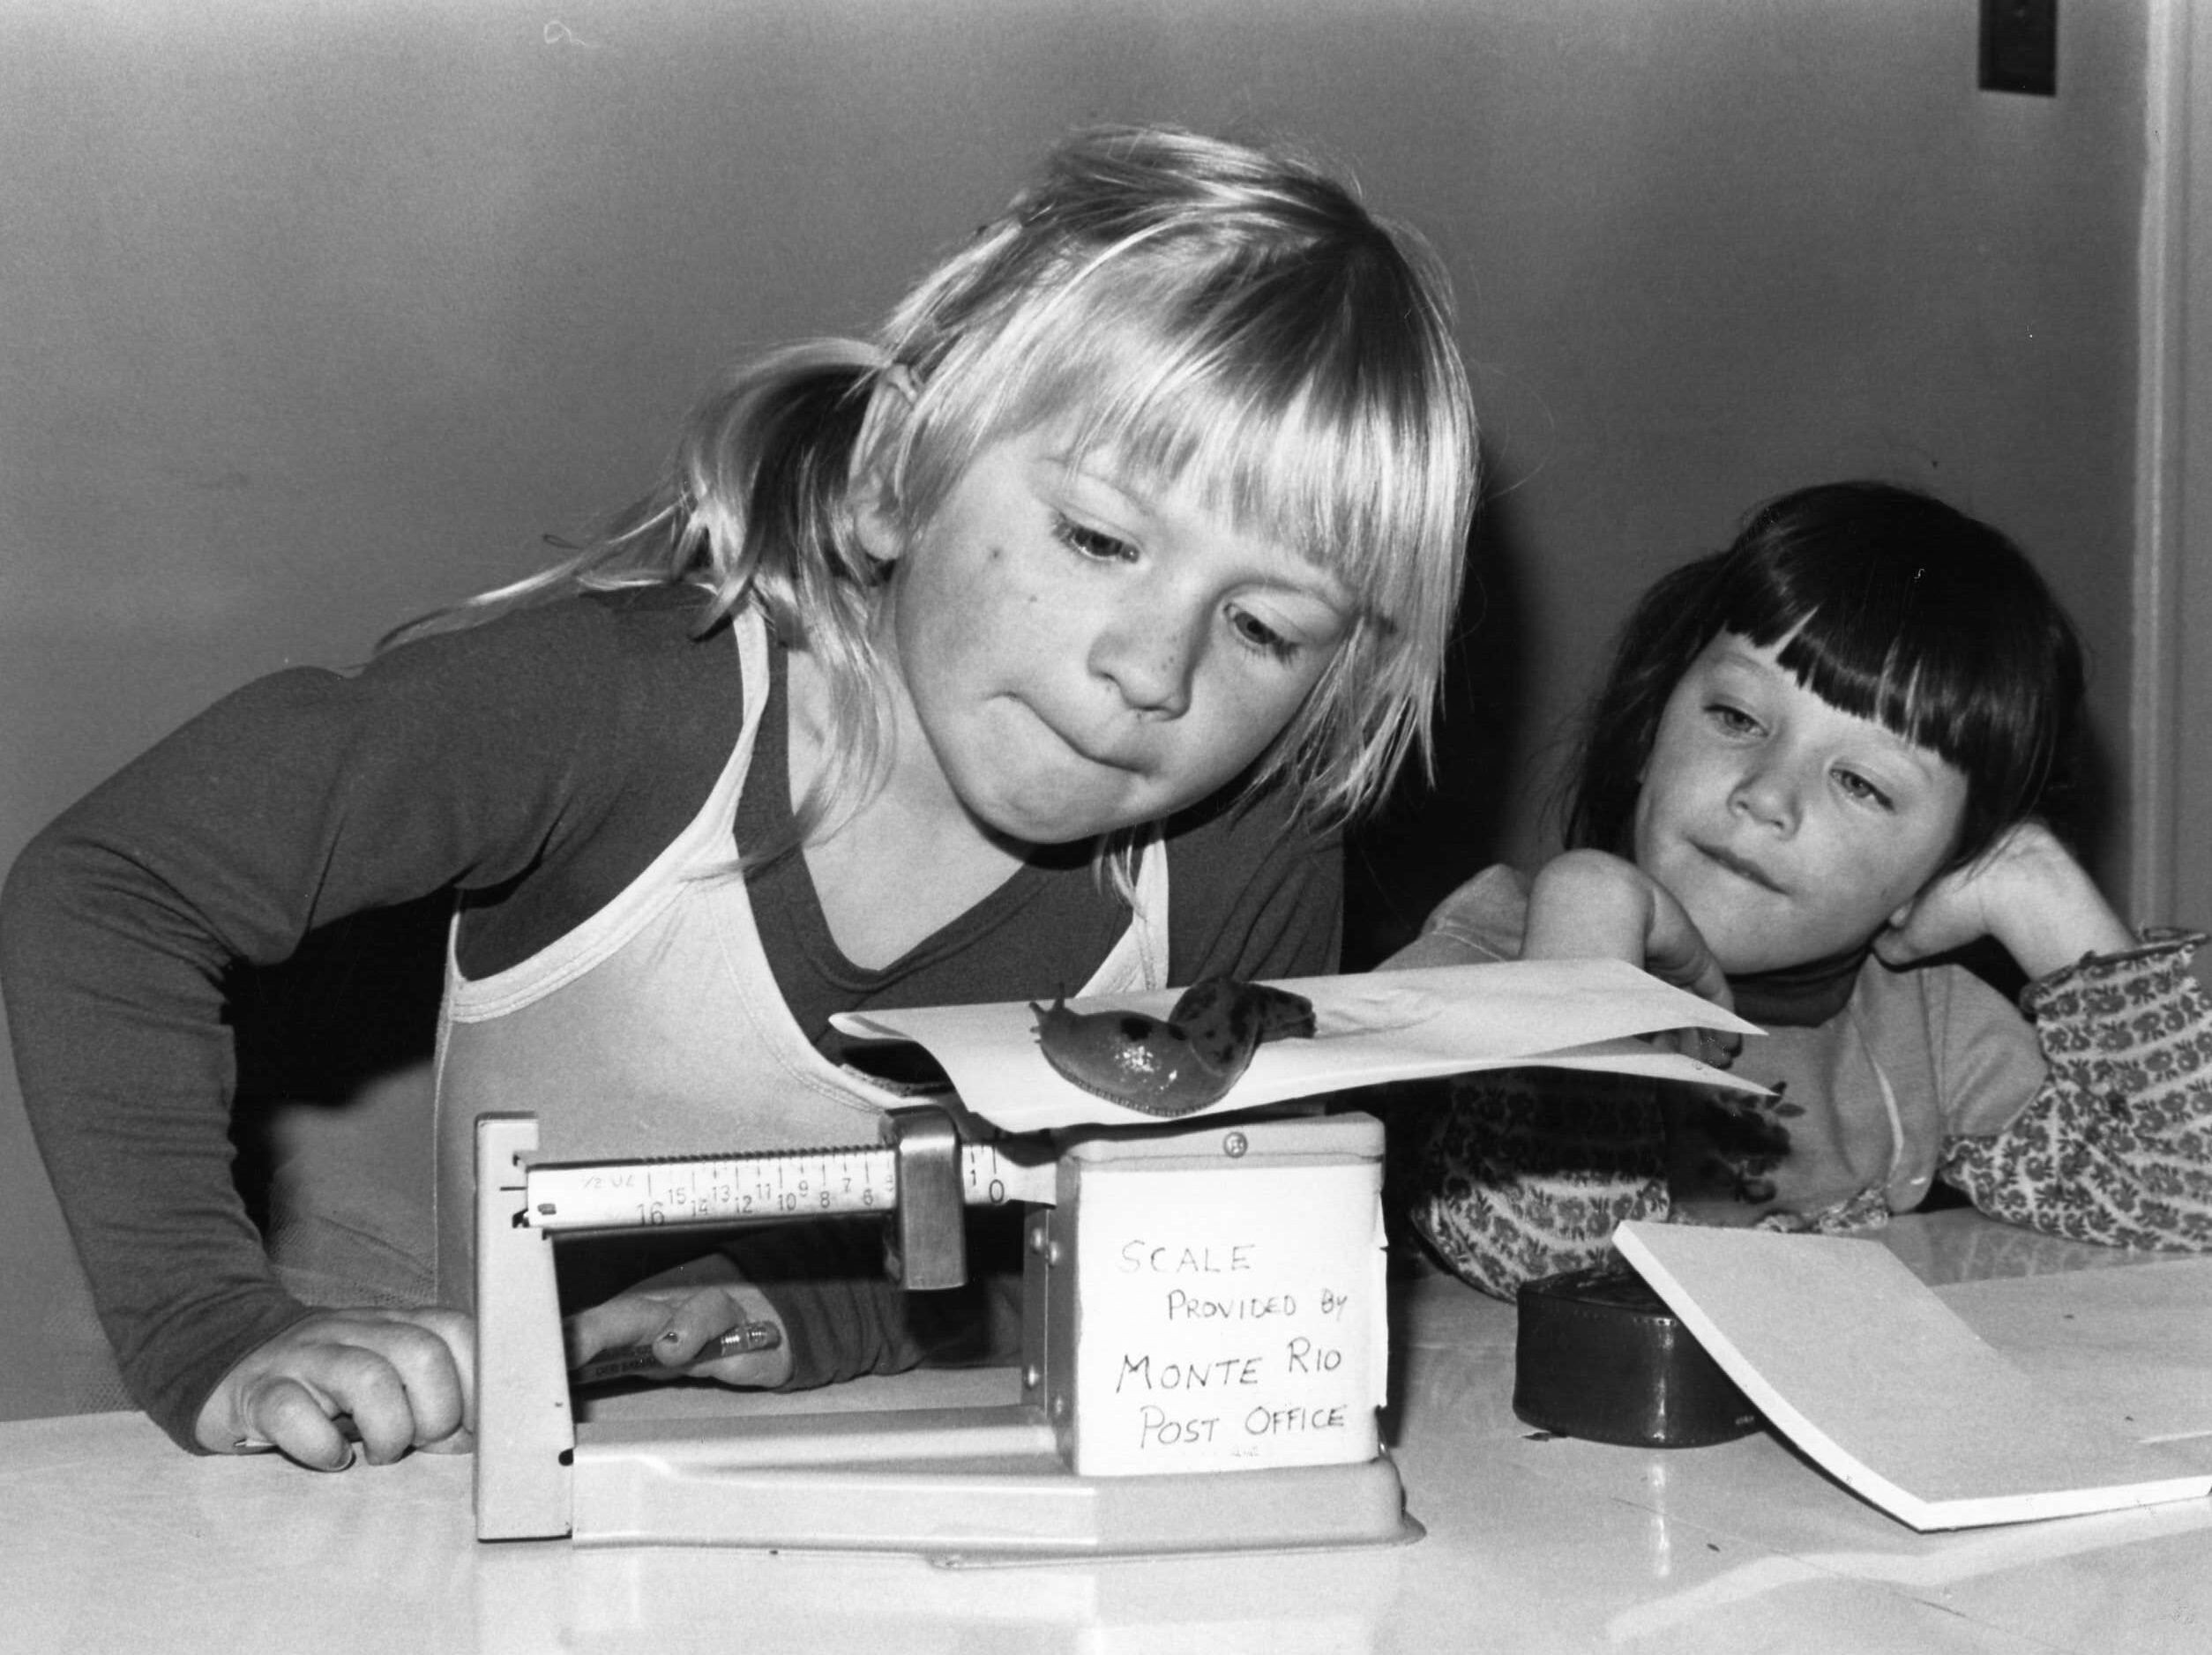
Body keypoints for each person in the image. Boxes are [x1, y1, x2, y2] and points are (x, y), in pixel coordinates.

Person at [0, 124, 1477, 1466]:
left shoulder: (1249, 867)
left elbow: (1197, 1297)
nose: (1153, 670)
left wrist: (781, 1312)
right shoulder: (617, 706)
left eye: (1264, 629)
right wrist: (212, 1329)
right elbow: (109, 889)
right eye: (1097, 537)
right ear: (897, 473)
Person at [1391, 481, 2212, 1299]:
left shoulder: (1921, 1026)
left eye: (1861, 782)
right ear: (1651, 730)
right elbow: (1554, 1262)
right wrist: (1584, 941)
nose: (1767, 795)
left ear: (1944, 867)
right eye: (1738, 718)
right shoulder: (1482, 960)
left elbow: (2187, 1197)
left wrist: (2043, 889)